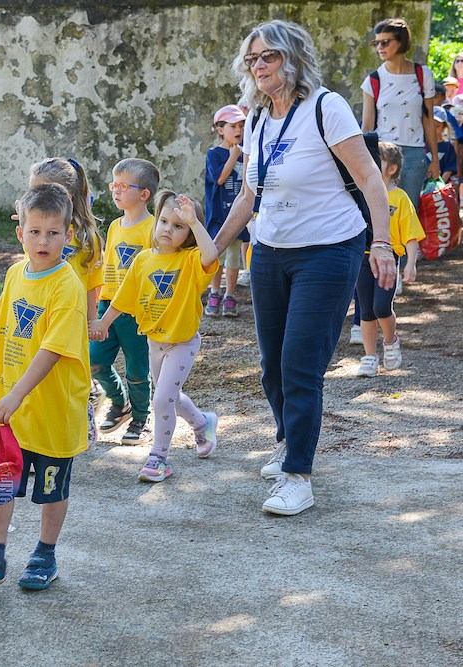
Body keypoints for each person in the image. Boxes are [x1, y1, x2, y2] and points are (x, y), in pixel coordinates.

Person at [214, 20, 395, 516]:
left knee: (300, 363)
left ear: (293, 58)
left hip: (329, 250)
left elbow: (369, 178)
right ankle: (287, 440)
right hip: (269, 252)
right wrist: (212, 250)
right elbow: (250, 195)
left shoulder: (326, 107)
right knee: (272, 364)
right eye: (252, 59)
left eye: (268, 56)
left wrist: (381, 243)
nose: (259, 66)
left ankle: (298, 476)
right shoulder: (254, 119)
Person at [0, 183, 90, 593]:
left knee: (51, 489)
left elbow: (52, 350)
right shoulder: (16, 273)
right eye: (35, 231)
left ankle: (44, 555)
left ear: (68, 235)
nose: (43, 241)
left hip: (52, 413)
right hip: (12, 413)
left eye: (53, 233)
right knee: (1, 484)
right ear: (21, 233)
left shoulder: (67, 287)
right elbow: (4, 328)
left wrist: (17, 392)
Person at [96, 191, 220, 482]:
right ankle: (203, 423)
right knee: (171, 396)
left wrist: (196, 222)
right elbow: (122, 299)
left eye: (179, 226)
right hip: (155, 341)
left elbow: (211, 255)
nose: (167, 229)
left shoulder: (190, 260)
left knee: (162, 398)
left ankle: (159, 458)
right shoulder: (142, 260)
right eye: (164, 221)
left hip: (183, 342)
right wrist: (103, 322)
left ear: (189, 234)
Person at [26, 157, 104, 441]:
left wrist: (92, 319)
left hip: (70, 315)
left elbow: (91, 283)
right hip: (40, 311)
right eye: (31, 193)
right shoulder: (34, 232)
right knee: (38, 369)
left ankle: (85, 408)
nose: (34, 199)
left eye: (40, 193)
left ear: (67, 198)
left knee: (70, 371)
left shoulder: (85, 239)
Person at [88, 158, 160, 445]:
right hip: (108, 305)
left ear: (144, 194)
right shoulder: (115, 226)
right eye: (113, 185)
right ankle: (120, 403)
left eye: (122, 186)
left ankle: (142, 417)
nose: (115, 191)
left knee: (137, 370)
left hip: (136, 313)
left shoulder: (154, 228)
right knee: (95, 360)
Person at [356, 142, 424, 378]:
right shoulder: (362, 192)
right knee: (365, 310)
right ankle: (369, 357)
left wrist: (411, 264)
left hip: (387, 258)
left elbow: (412, 235)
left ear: (392, 169)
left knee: (381, 306)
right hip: (362, 258)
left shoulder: (401, 198)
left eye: (379, 160)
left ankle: (390, 340)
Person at [361, 17, 440, 211]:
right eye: (376, 42)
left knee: (409, 212)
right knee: (380, 212)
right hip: (384, 153)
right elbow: (367, 126)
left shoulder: (423, 74)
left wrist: (435, 160)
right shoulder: (373, 80)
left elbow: (428, 120)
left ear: (401, 41)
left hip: (415, 153)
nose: (380, 47)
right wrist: (363, 161)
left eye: (385, 42)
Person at [204, 104, 248, 317]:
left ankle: (230, 295)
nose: (238, 130)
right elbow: (219, 179)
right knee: (216, 256)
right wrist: (233, 156)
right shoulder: (214, 154)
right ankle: (215, 292)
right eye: (233, 126)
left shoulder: (245, 153)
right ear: (220, 129)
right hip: (219, 216)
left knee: (233, 259)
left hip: (238, 215)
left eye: (242, 125)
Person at [431, 106, 459, 184]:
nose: (433, 129)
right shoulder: (422, 146)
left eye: (437, 126)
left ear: (444, 126)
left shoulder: (448, 146)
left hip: (441, 189)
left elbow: (449, 169)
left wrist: (439, 185)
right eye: (431, 125)